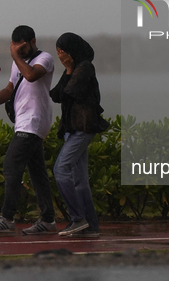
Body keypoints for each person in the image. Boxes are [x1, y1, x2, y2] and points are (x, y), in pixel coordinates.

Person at [0, 25, 57, 235]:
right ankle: (48, 220)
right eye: (16, 50)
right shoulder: (17, 63)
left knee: (11, 166)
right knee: (37, 173)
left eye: (22, 49)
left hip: (34, 121)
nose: (19, 54)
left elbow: (30, 76)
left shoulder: (44, 58)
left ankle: (7, 218)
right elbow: (9, 90)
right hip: (23, 122)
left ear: (33, 41)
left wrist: (15, 56)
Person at [50, 32, 110, 238]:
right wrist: (67, 70)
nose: (60, 55)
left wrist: (67, 69)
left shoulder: (85, 67)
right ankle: (91, 226)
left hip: (83, 128)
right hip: (72, 129)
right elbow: (56, 95)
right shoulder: (72, 68)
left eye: (63, 51)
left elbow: (70, 92)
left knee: (60, 169)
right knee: (79, 180)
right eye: (58, 51)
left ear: (73, 51)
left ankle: (77, 218)